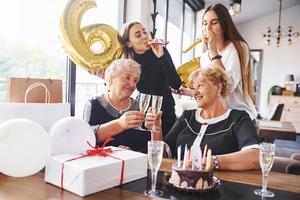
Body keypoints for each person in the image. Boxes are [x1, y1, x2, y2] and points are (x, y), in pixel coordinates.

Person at [146, 65, 261, 170]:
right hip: (180, 183)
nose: (194, 93)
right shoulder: (187, 116)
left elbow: (254, 157)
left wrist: (211, 161)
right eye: (193, 88)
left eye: (200, 85)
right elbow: (162, 155)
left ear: (218, 88)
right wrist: (156, 129)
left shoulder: (238, 118)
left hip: (220, 187)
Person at [180, 3, 257, 121]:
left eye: (214, 22)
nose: (208, 28)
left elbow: (227, 87)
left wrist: (213, 51)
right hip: (218, 116)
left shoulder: (239, 47)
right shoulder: (205, 57)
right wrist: (183, 91)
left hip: (239, 116)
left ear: (224, 25)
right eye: (205, 23)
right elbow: (212, 92)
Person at [118, 22, 182, 135]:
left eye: (145, 32)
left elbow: (176, 84)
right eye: (138, 35)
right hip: (143, 110)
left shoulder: (161, 51)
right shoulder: (128, 62)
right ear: (128, 43)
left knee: (163, 147)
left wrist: (161, 56)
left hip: (166, 111)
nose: (144, 36)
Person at [83, 58, 150, 153]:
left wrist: (133, 154)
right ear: (110, 79)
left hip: (134, 164)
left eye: (135, 80)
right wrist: (119, 124)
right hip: (102, 163)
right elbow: (86, 138)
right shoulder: (94, 104)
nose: (132, 84)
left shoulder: (141, 108)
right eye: (127, 77)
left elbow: (149, 144)